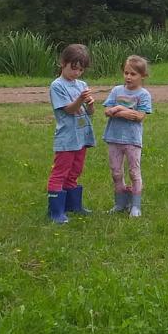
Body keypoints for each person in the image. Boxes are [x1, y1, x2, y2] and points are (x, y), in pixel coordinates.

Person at [46, 43, 96, 224]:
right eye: (73, 68)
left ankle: (73, 205)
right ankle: (55, 211)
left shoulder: (81, 84)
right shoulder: (57, 85)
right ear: (63, 63)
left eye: (81, 70)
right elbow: (69, 109)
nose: (77, 73)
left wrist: (90, 104)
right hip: (67, 138)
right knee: (60, 172)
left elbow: (89, 113)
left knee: (75, 170)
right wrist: (81, 99)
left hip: (81, 136)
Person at [103, 55, 154, 217]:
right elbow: (107, 111)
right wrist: (121, 111)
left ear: (142, 76)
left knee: (133, 172)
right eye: (126, 73)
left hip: (132, 140)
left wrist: (118, 109)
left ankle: (135, 205)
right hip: (114, 138)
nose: (128, 77)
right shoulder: (116, 91)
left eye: (133, 74)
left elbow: (139, 116)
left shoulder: (144, 94)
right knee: (116, 172)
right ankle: (120, 203)